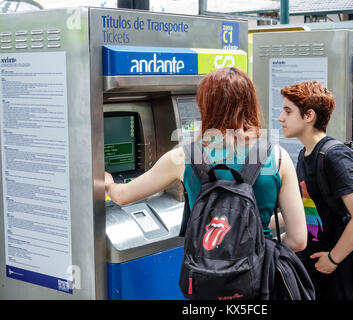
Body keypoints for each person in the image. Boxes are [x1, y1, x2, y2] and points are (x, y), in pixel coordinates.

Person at [105, 67, 308, 256]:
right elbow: (298, 240)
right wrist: (260, 252)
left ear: (205, 105)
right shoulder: (278, 158)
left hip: (206, 274)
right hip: (261, 282)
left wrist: (108, 182)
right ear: (250, 103)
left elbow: (122, 196)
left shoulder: (183, 157)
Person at [274, 80, 353, 300]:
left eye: (288, 111)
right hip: (321, 267)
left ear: (309, 116)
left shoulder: (334, 156)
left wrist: (333, 259)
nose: (281, 117)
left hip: (347, 268)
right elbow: (307, 209)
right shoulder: (305, 155)